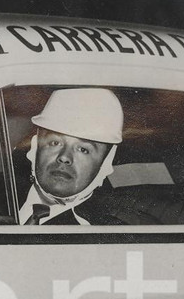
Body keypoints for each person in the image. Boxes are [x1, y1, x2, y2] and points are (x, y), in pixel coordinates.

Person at [18, 88, 124, 225]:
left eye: (83, 150)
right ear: (35, 145)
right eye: (55, 142)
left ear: (105, 162)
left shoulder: (110, 235)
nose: (64, 157)